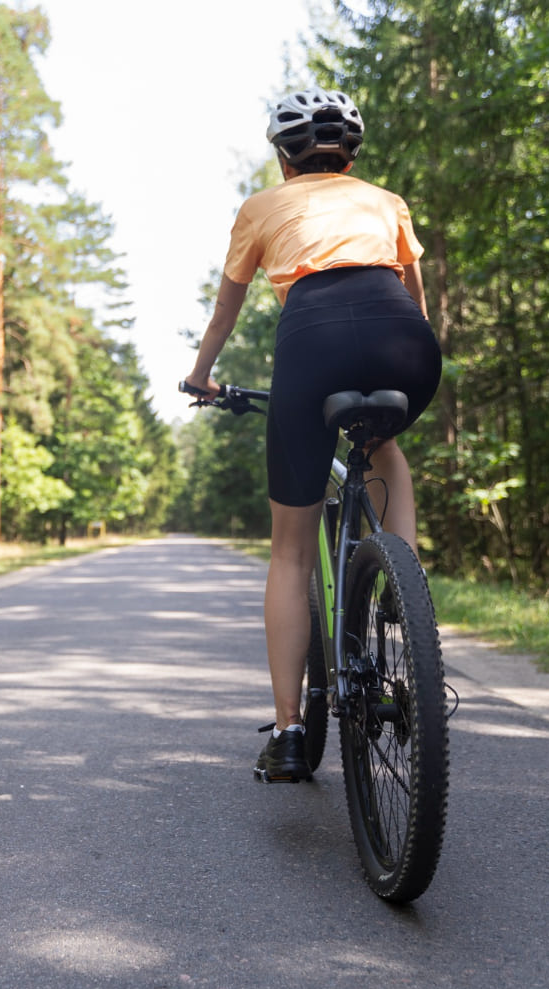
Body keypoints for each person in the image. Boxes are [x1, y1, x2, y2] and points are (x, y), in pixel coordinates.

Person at [182, 88, 442, 783]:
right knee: (385, 446)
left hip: (312, 341)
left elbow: (224, 314)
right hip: (405, 345)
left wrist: (200, 376)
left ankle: (292, 733)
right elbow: (415, 296)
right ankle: (403, 597)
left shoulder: (261, 208)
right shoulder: (385, 201)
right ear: (350, 154)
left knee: (291, 552)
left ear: (283, 157)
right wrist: (407, 352)